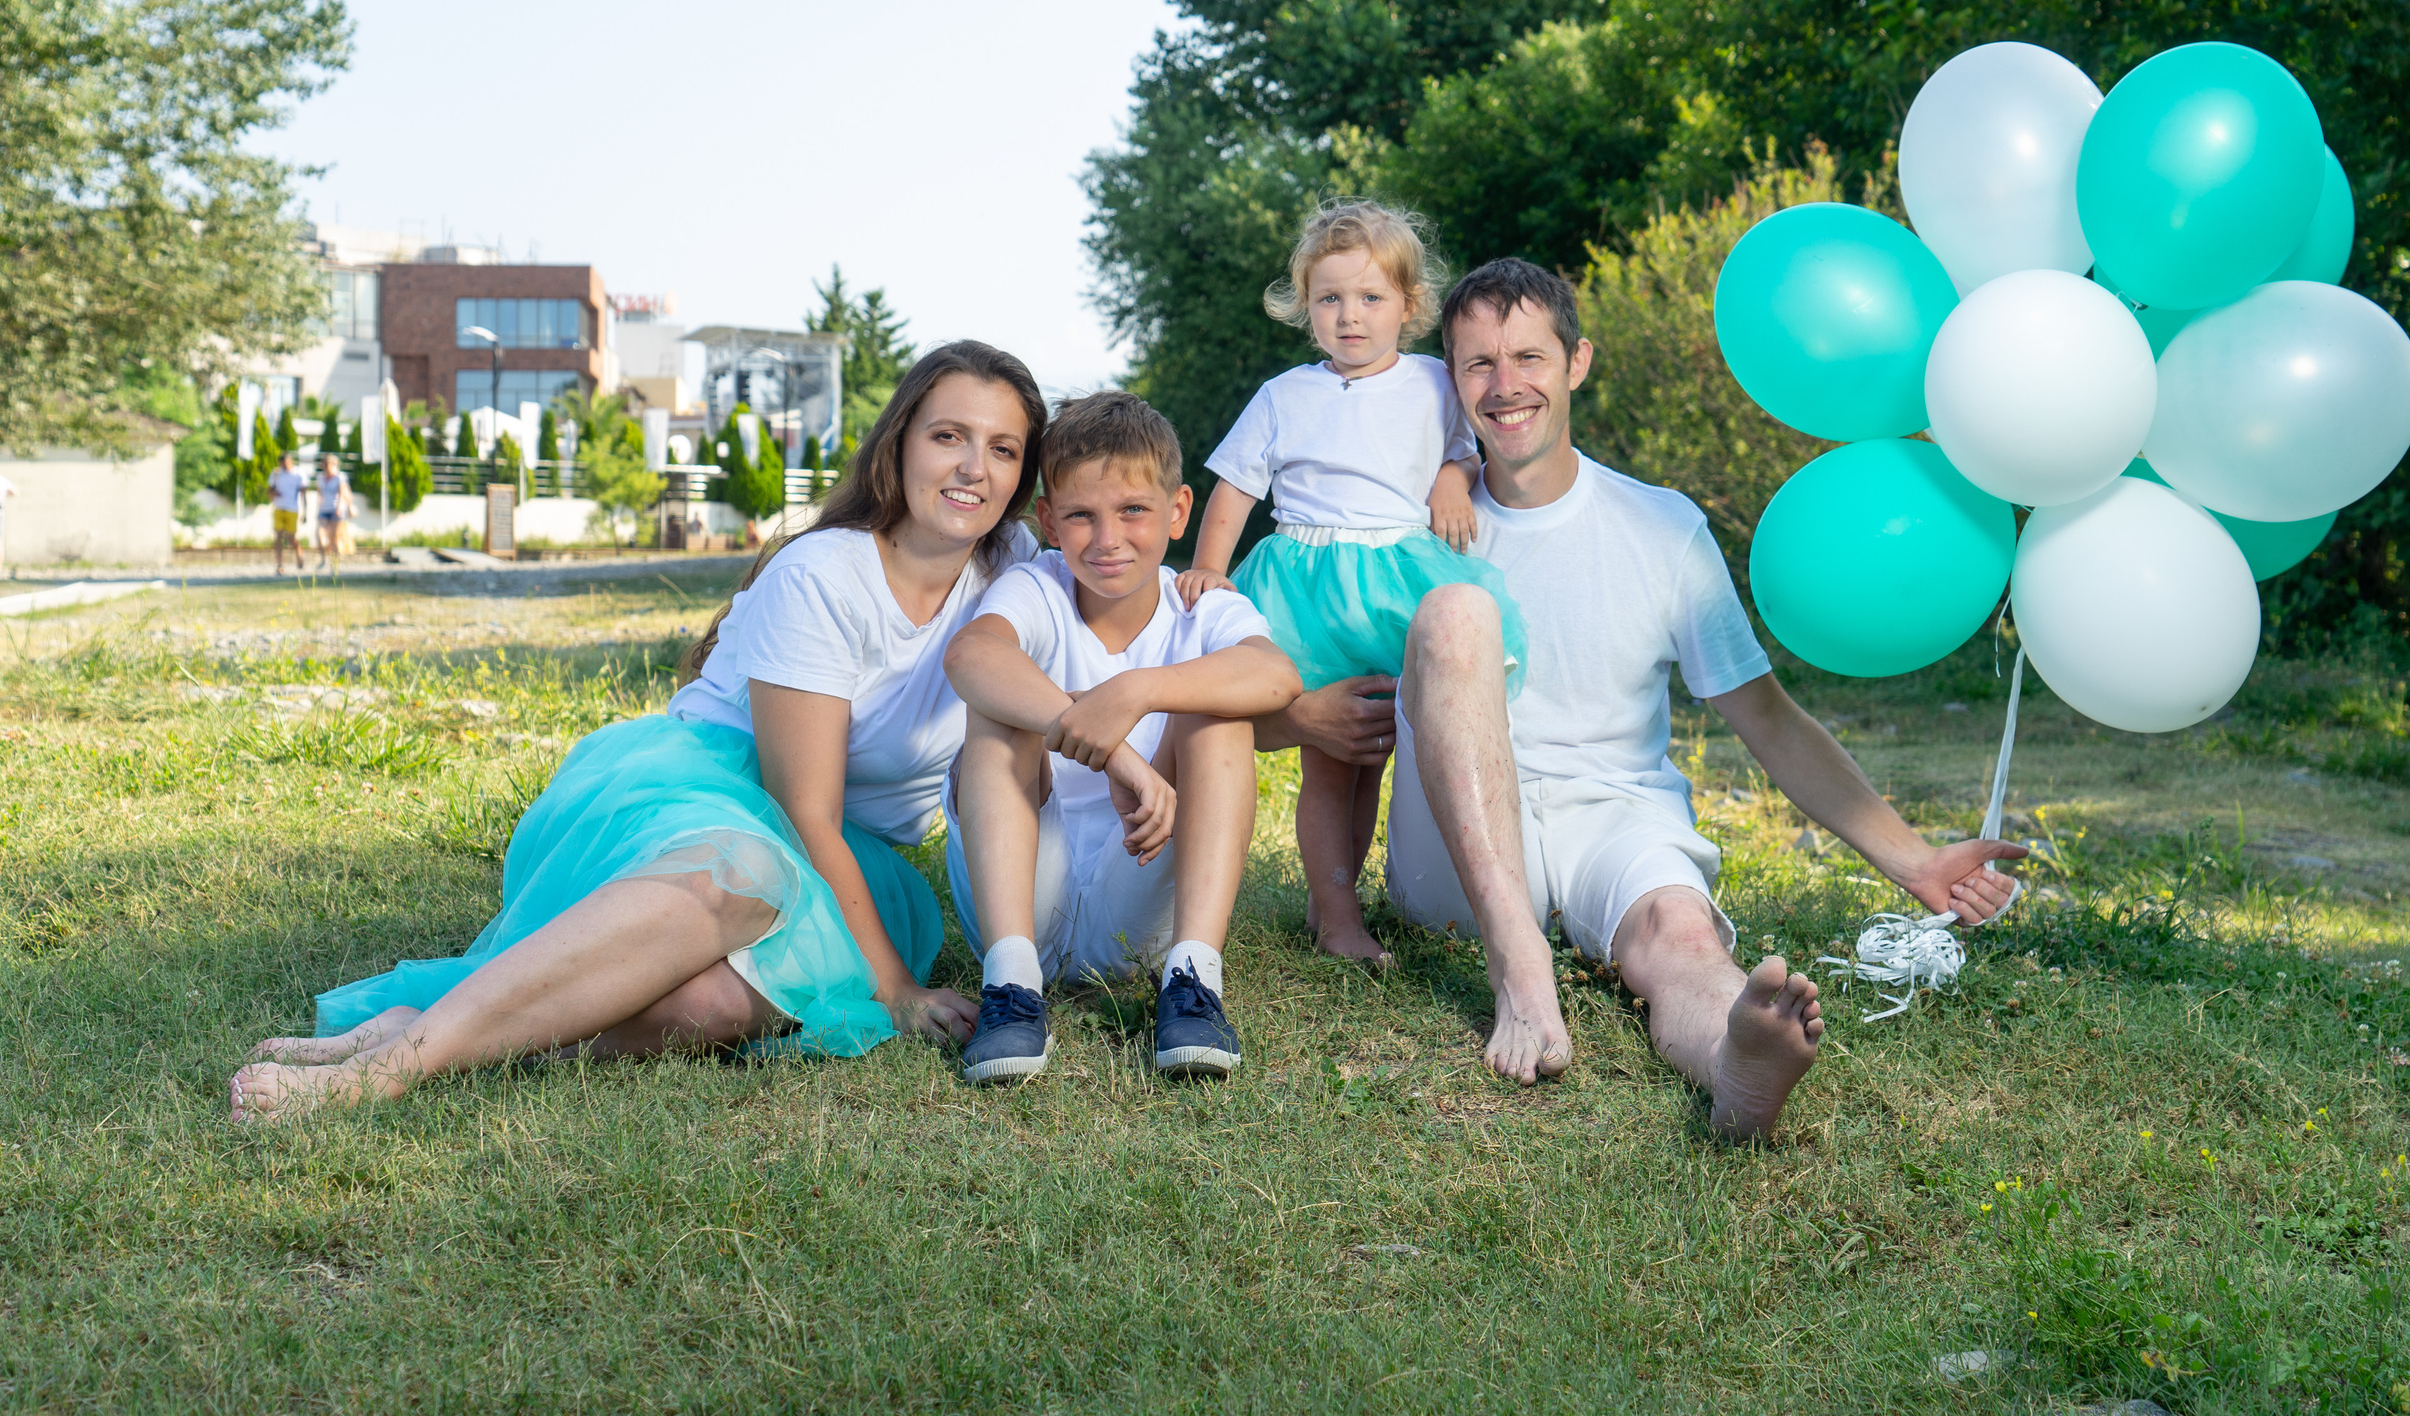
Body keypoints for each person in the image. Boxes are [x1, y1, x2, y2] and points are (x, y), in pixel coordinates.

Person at [1261, 260, 2024, 1142]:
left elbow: (1767, 718)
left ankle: (1736, 1062)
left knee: (1680, 932)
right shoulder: (1393, 530)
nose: (1505, 387)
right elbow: (1252, 692)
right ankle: (1520, 969)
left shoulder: (1662, 526)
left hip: (1613, 809)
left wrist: (1915, 860)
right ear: (1449, 381)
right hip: (1458, 841)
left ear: (1577, 361)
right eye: (1478, 364)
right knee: (1457, 610)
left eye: (1529, 358)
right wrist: (1303, 718)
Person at [229, 341, 1047, 1119]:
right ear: (898, 445)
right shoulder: (824, 574)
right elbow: (804, 810)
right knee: (744, 874)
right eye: (948, 436)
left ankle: (430, 1023)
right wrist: (895, 987)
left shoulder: (1011, 564)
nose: (974, 467)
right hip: (709, 798)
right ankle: (389, 1071)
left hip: (855, 861)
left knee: (710, 1006)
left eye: (1003, 448)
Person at [1176, 201, 1524, 969]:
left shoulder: (1434, 382)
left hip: (1399, 581)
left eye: (1370, 297)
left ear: (1408, 304)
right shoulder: (1284, 395)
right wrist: (1210, 566)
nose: (1350, 315)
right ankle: (1337, 917)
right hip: (1308, 589)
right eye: (1329, 298)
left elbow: (1464, 451)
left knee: (1375, 754)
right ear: (1306, 307)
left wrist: (1450, 478)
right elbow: (1235, 487)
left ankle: (1340, 896)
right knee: (1333, 760)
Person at [942, 392, 1301, 1085]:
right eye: (1081, 515)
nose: (1107, 538)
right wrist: (1116, 753)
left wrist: (1135, 691)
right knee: (999, 707)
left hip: (1137, 888)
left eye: (1133, 509)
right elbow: (970, 656)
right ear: (1049, 520)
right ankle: (1010, 986)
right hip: (1024, 888)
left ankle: (1193, 980)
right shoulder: (1037, 587)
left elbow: (1276, 676)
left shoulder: (1200, 607)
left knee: (1217, 709)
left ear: (1177, 511)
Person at [267, 453, 307, 574]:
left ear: (291, 461)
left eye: (285, 463)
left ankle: (298, 550)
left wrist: (305, 512)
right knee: (278, 536)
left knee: (290, 537)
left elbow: (303, 493)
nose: (283, 466)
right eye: (281, 464)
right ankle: (279, 565)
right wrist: (273, 494)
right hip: (279, 507)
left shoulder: (298, 474)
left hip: (292, 509)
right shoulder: (276, 473)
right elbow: (269, 489)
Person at [312, 454, 353, 562]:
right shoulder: (320, 477)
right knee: (319, 534)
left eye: (327, 463)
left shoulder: (340, 477)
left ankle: (335, 561)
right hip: (324, 509)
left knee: (334, 537)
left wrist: (339, 508)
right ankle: (323, 558)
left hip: (335, 510)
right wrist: (318, 507)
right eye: (323, 464)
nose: (325, 466)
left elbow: (342, 492)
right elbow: (320, 493)